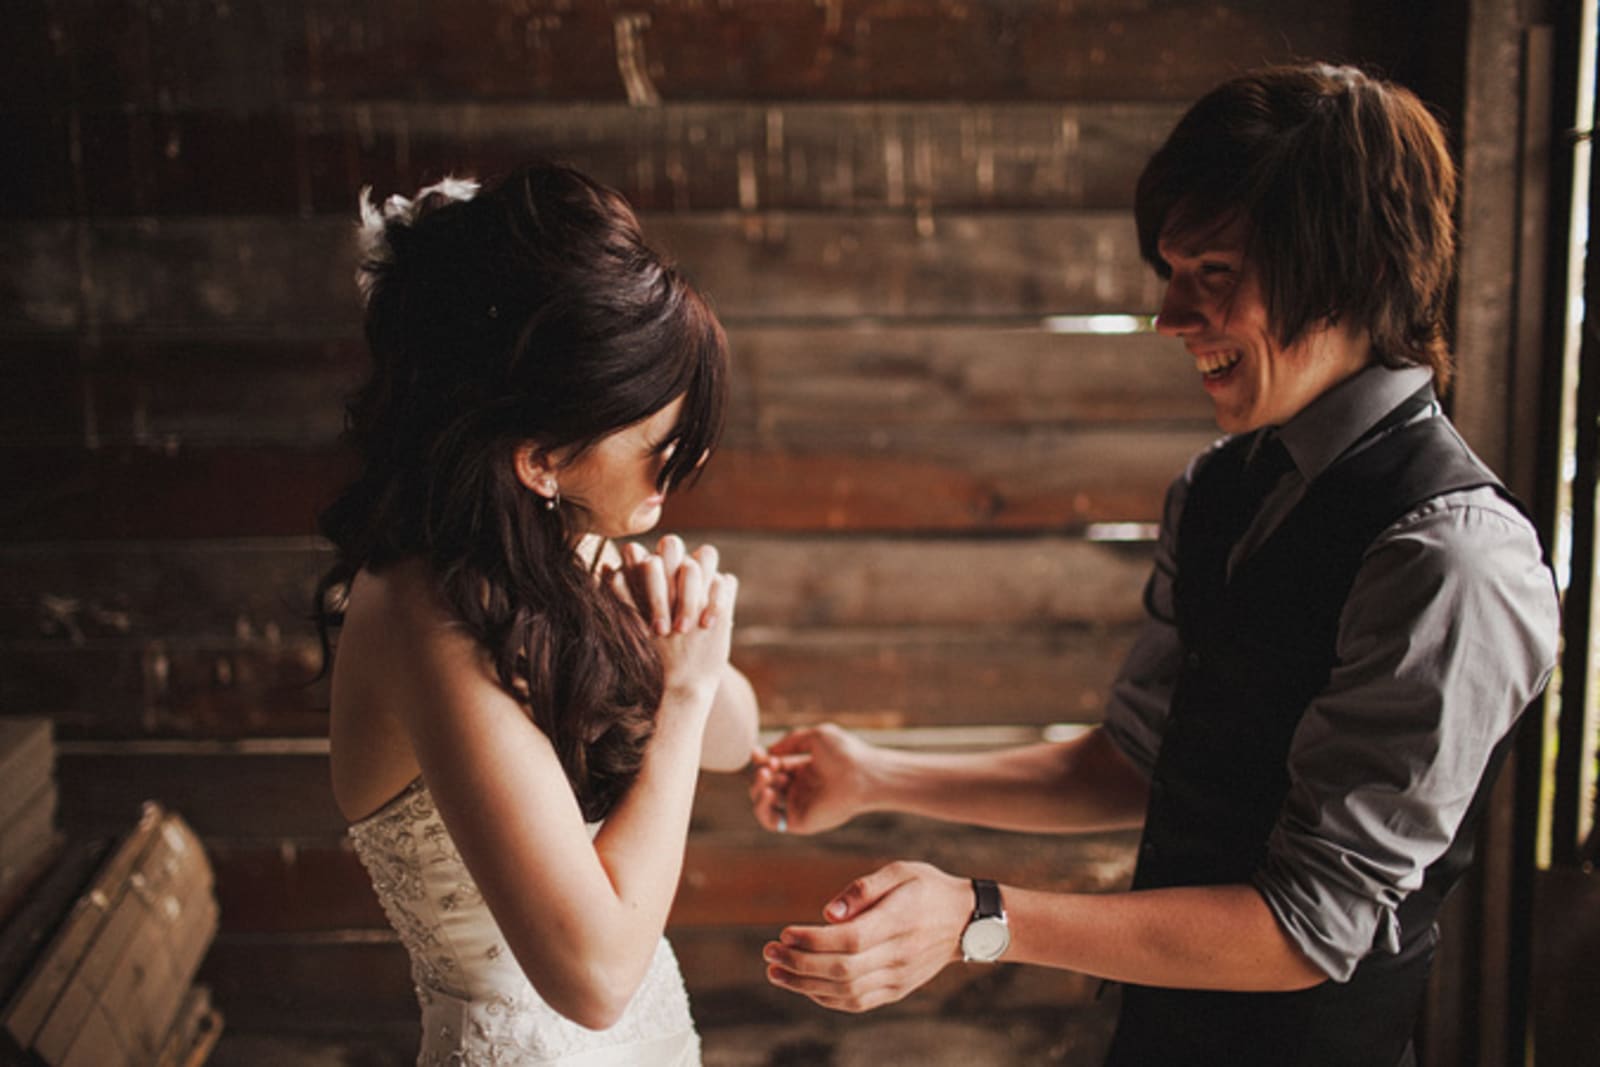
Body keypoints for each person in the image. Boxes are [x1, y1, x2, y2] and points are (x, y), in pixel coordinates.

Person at [749, 64, 1560, 1066]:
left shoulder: (1452, 559)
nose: (1171, 317)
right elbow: (1133, 762)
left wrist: (979, 915)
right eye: (1170, 272)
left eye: (1213, 273)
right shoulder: (1220, 487)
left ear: (1347, 268)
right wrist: (878, 774)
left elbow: (1309, 928)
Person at [315, 162, 759, 1066]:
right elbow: (593, 976)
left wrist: (688, 654)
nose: (684, 467)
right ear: (542, 455)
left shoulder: (556, 548)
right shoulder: (418, 613)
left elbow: (736, 737)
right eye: (659, 442)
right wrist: (679, 697)